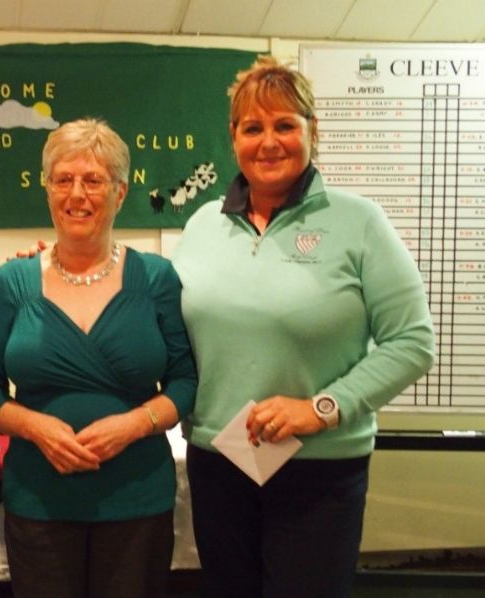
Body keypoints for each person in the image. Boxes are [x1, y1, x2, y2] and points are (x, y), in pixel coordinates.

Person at [171, 56, 435, 597]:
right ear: (234, 137)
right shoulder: (200, 225)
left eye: (285, 125)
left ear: (313, 131)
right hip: (219, 464)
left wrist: (320, 409)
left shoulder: (359, 222)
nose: (269, 141)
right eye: (253, 127)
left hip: (319, 470)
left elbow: (412, 342)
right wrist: (60, 268)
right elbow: (166, 323)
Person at [0, 118, 197, 598]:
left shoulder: (157, 279)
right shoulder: (11, 283)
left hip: (137, 498)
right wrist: (35, 427)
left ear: (119, 192)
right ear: (47, 189)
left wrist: (134, 424)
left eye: (93, 180)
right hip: (39, 499)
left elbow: (185, 383)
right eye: (63, 179)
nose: (77, 193)